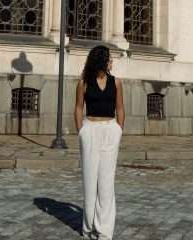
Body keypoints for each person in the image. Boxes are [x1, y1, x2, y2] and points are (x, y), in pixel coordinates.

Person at [75, 44, 124, 240]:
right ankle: (88, 228)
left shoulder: (117, 82)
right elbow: (78, 108)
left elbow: (120, 108)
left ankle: (104, 230)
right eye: (109, 58)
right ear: (100, 60)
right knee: (89, 182)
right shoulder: (84, 83)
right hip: (90, 130)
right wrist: (82, 131)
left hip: (110, 131)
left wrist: (119, 130)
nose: (111, 62)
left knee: (106, 183)